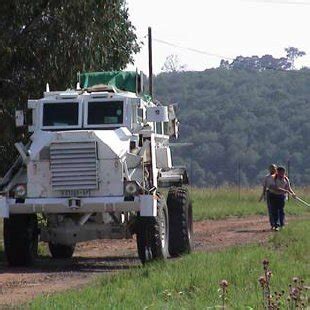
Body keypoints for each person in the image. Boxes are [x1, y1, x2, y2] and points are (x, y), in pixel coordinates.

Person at [268, 166, 295, 231]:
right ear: (278, 172)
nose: (282, 173)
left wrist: (293, 193)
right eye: (280, 172)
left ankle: (282, 224)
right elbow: (274, 187)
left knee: (281, 210)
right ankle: (276, 225)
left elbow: (288, 188)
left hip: (281, 196)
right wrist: (284, 190)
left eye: (283, 172)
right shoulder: (273, 178)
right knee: (274, 210)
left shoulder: (286, 179)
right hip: (273, 195)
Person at [259, 164, 277, 229]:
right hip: (270, 194)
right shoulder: (267, 177)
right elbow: (264, 187)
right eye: (271, 168)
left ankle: (277, 224)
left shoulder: (279, 176)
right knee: (271, 210)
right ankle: (272, 224)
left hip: (278, 194)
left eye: (274, 168)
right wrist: (263, 195)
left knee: (277, 209)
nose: (272, 169)